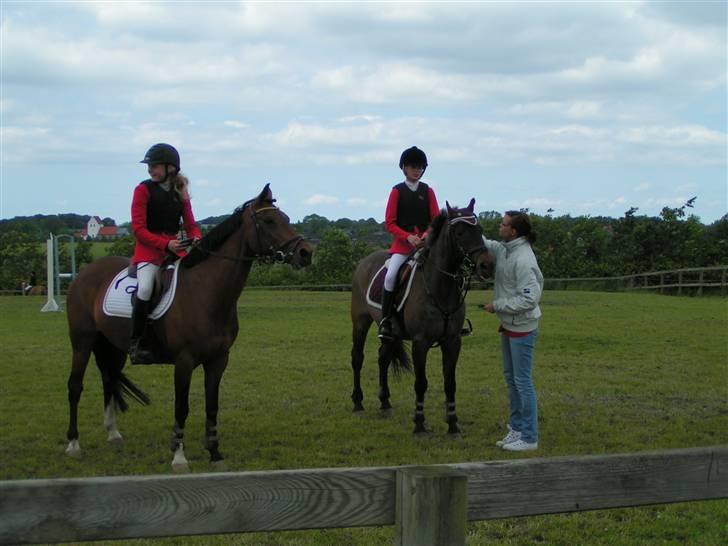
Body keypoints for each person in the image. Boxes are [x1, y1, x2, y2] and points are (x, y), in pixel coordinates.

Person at [129, 143, 201, 363]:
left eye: (154, 165)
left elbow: (190, 224)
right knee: (146, 288)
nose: (150, 169)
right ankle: (137, 342)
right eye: (149, 166)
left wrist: (196, 237)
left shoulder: (181, 191)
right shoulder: (143, 190)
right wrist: (165, 244)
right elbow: (138, 229)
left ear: (171, 167)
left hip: (175, 252)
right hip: (149, 252)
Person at [482, 211, 543, 451]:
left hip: (522, 327)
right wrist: (468, 224)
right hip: (509, 325)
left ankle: (529, 438)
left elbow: (529, 300)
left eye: (504, 224)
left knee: (523, 382)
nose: (500, 226)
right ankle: (517, 428)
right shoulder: (508, 249)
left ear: (514, 231)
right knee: (512, 380)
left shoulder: (524, 259)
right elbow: (490, 245)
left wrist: (497, 305)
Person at [379, 146, 440, 342]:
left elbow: (436, 219)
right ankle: (386, 320)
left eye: (421, 167)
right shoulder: (397, 191)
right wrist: (408, 237)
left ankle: (451, 318)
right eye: (414, 166)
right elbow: (389, 222)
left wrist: (426, 234)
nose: (418, 170)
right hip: (403, 247)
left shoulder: (427, 191)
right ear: (404, 168)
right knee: (390, 277)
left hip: (426, 245)